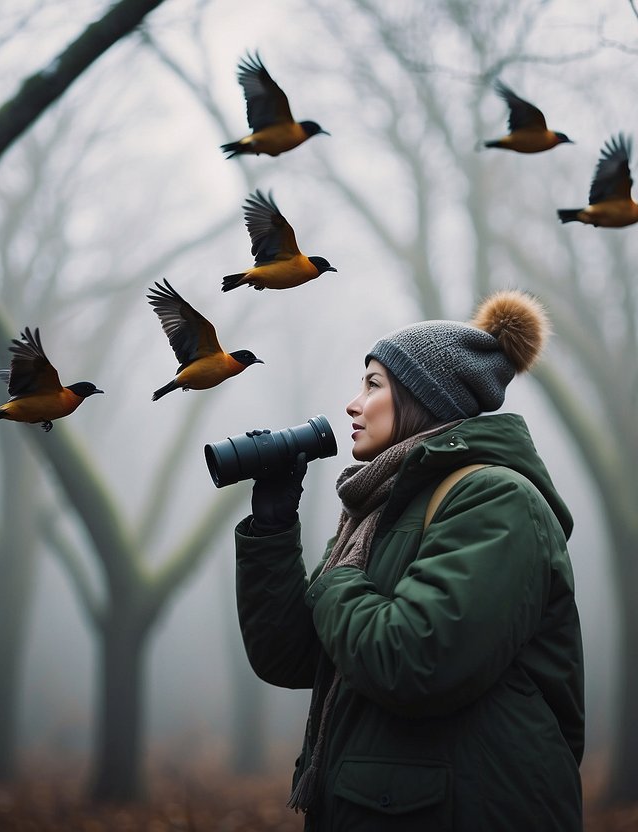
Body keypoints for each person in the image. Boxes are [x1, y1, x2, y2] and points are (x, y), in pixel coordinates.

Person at [233, 290, 584, 831]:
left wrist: (337, 580)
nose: (352, 404)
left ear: (427, 398)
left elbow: (414, 659)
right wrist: (273, 530)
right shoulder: (375, 512)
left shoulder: (495, 499)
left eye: (373, 384)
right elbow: (295, 657)